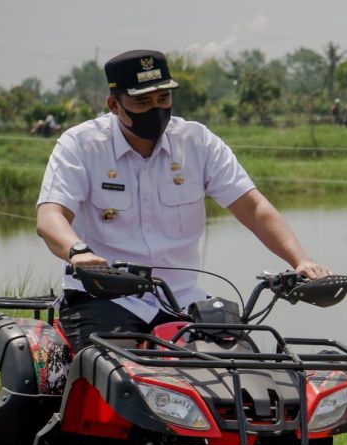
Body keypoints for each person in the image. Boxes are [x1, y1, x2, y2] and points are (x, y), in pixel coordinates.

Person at [35, 49, 330, 353]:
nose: (156, 109)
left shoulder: (196, 142)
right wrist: (78, 252)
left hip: (184, 300)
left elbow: (253, 208)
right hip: (104, 298)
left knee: (245, 365)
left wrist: (300, 261)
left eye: (163, 99)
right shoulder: (81, 145)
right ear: (114, 104)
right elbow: (50, 216)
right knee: (119, 378)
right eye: (142, 102)